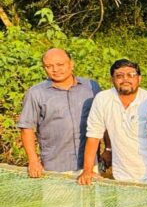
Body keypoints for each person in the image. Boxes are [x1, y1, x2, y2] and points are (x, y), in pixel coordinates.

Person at [77, 59, 147, 186]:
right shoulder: (103, 99)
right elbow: (93, 136)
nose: (125, 79)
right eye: (119, 76)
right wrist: (87, 170)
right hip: (121, 175)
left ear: (139, 79)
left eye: (131, 75)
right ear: (112, 79)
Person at [18, 48, 102, 177]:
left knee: (92, 198)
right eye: (49, 66)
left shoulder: (91, 87)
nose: (55, 70)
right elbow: (26, 128)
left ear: (71, 64)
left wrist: (108, 149)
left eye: (60, 64)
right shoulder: (36, 93)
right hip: (55, 166)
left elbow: (103, 119)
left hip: (90, 166)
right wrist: (33, 161)